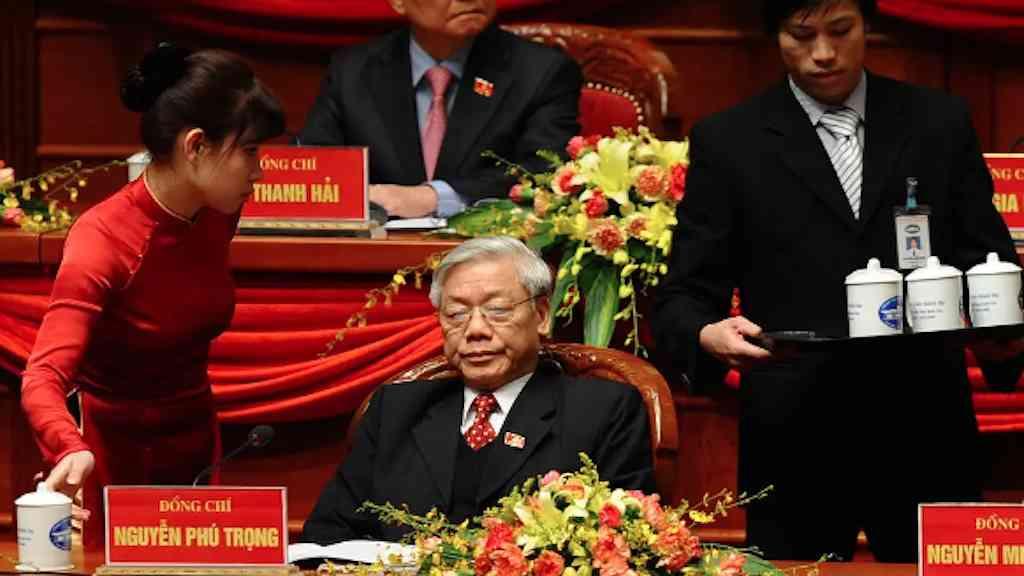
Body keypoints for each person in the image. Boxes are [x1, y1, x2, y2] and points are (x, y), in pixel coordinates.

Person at [653, 0, 1020, 563]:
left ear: (867, 26)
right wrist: (708, 334)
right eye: (802, 35)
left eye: (840, 30)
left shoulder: (938, 123)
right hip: (794, 435)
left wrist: (1003, 334)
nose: (823, 53)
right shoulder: (730, 141)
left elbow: (986, 258)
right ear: (775, 36)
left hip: (925, 423)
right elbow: (684, 294)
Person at [20, 43, 285, 548]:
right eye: (250, 152)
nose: (260, 172)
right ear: (196, 146)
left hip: (196, 440)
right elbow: (43, 376)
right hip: (112, 454)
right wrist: (68, 446)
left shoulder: (219, 211)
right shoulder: (103, 239)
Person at [302, 237, 654, 544]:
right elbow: (326, 536)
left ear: (542, 315)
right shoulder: (395, 410)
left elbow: (619, 545)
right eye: (456, 314)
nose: (475, 330)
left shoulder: (602, 411)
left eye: (497, 310)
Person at [297, 0, 582, 219]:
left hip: (490, 253)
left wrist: (433, 198)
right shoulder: (353, 70)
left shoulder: (541, 71)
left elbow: (546, 170)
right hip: (374, 252)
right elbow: (314, 167)